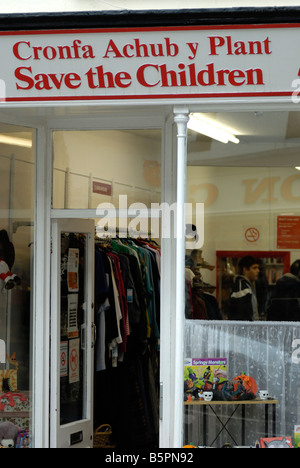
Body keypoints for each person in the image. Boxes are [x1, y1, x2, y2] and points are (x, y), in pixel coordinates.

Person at [228, 256, 260, 321]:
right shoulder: (242, 287)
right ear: (245, 270)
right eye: (254, 268)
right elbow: (241, 315)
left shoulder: (247, 285)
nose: (258, 270)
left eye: (258, 268)